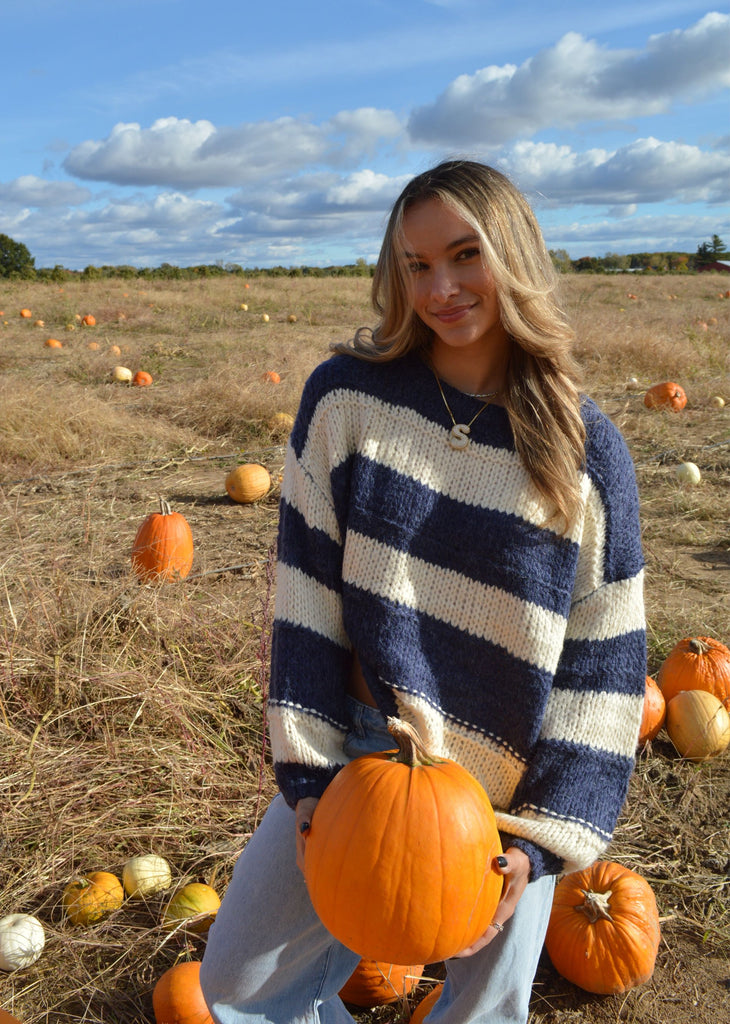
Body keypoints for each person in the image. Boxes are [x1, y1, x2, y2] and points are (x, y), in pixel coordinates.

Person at [200, 160, 646, 1024]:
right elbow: (305, 596)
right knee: (239, 987)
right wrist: (309, 776)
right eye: (415, 264)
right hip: (361, 763)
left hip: (503, 806)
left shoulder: (588, 452)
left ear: (512, 254)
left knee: (481, 1018)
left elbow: (604, 672)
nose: (439, 287)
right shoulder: (347, 400)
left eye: (463, 255)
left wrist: (542, 847)